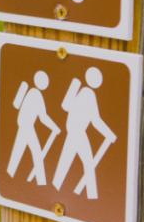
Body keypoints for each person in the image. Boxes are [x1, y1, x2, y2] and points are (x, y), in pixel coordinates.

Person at [51, 67, 116, 200]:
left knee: (67, 162)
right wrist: (109, 134)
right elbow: (95, 120)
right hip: (78, 133)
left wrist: (109, 134)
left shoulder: (82, 92)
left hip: (73, 132)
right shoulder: (88, 94)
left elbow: (92, 119)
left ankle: (56, 188)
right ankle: (92, 197)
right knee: (87, 163)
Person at [7, 71, 61, 186]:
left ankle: (10, 174)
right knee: (36, 152)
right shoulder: (36, 94)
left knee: (18, 152)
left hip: (24, 125)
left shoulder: (32, 92)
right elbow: (43, 117)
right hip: (27, 126)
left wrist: (54, 127)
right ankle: (41, 182)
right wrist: (54, 127)